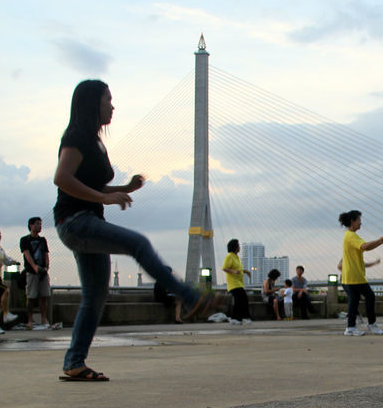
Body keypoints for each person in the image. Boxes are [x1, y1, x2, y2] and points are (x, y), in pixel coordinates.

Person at [53, 80, 218, 382]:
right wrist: (104, 198)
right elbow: (62, 178)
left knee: (95, 295)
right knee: (138, 243)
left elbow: (89, 184)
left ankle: (74, 363)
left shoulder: (94, 141)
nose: (112, 106)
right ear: (93, 103)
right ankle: (188, 295)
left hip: (87, 222)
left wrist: (123, 188)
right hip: (75, 222)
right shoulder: (76, 136)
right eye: (108, 100)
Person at [339, 210, 383, 336]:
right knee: (370, 296)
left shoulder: (350, 235)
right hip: (355, 275)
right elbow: (365, 246)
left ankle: (350, 327)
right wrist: (380, 240)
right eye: (359, 220)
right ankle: (371, 324)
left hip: (351, 275)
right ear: (352, 221)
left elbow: (366, 247)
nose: (361, 223)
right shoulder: (351, 236)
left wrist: (380, 242)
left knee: (354, 300)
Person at [20, 216, 58, 330]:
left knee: (44, 296)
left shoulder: (43, 240)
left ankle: (43, 318)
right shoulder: (25, 240)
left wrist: (46, 267)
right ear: (31, 226)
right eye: (37, 224)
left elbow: (46, 254)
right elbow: (27, 254)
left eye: (40, 224)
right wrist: (34, 267)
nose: (39, 226)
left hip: (43, 271)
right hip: (31, 272)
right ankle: (30, 319)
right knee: (31, 296)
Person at [222, 239, 251, 325]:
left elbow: (238, 269)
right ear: (235, 247)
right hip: (233, 284)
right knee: (243, 298)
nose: (239, 247)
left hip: (239, 283)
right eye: (238, 245)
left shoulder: (236, 257)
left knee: (240, 300)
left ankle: (236, 318)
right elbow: (224, 268)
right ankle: (244, 318)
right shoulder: (229, 256)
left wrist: (245, 271)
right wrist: (234, 272)